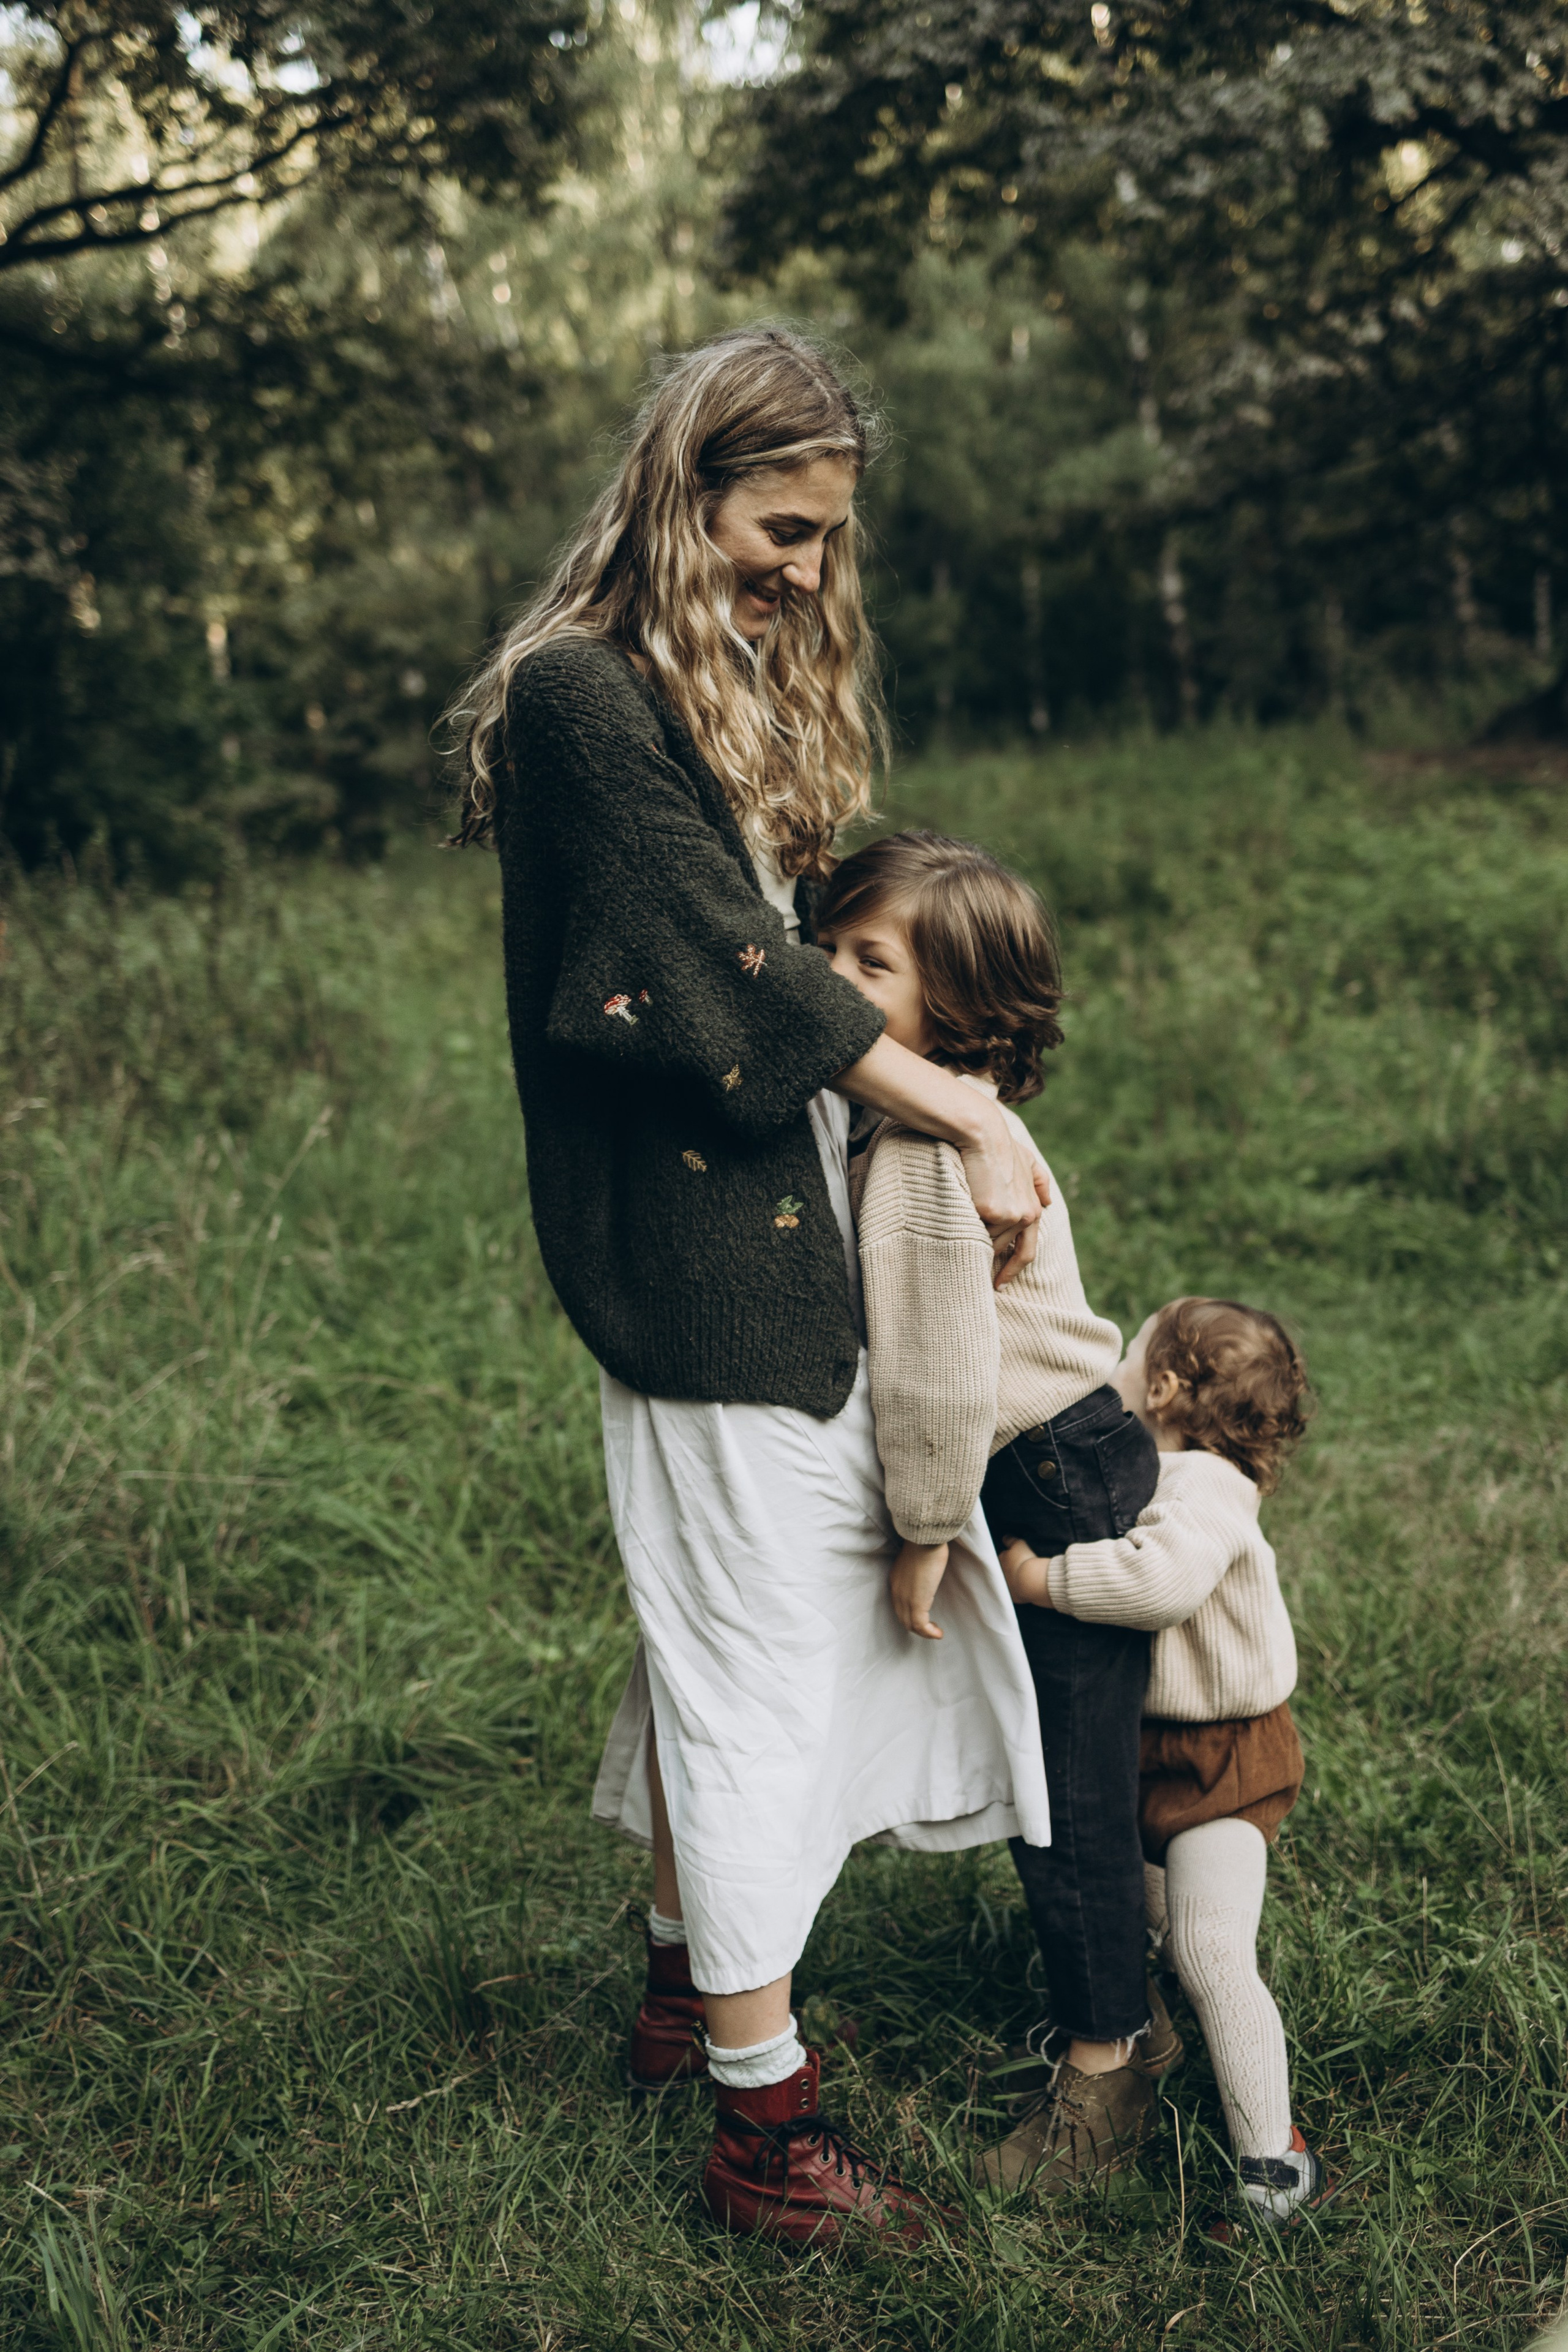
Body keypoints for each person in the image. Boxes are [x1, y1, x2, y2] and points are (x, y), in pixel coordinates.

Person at [451, 327, 1052, 2248]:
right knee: (756, 1684)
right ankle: (762, 2135)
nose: (805, 567)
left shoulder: (702, 686)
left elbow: (798, 950)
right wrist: (967, 1110)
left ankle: (677, 2000)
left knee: (724, 1647)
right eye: (780, 527)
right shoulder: (580, 694)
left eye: (826, 536)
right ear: (682, 487)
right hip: (695, 1259)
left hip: (774, 1229)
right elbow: (726, 967)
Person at [816, 830, 1180, 2199]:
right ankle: (1138, 1998)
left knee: (1064, 1798)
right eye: (825, 946)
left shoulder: (925, 1143)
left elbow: (936, 1367)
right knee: (1066, 1777)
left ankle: (1107, 2069)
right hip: (1063, 1454)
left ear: (957, 1008)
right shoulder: (926, 1112)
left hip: (1043, 1473)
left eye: (870, 962)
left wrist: (922, 1527)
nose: (828, 977)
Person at [1000, 1297, 1327, 2233]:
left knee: (1208, 1948)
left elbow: (1159, 1581)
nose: (1114, 1368)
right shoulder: (1170, 1472)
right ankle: (1153, 2034)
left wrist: (1040, 1581)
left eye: (1131, 1350)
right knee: (1139, 1907)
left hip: (1222, 1760)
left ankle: (1276, 2163)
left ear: (1165, 1388)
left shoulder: (1205, 1485)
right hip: (1156, 1748)